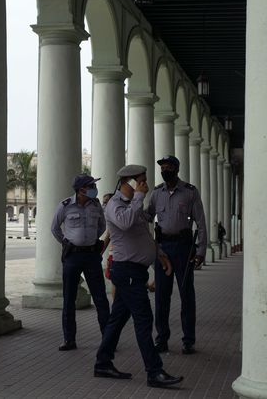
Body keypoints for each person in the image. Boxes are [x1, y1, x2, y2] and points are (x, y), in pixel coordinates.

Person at [94, 164, 183, 388]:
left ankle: (103, 363)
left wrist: (159, 254)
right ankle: (154, 371)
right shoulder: (115, 205)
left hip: (135, 271)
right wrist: (139, 197)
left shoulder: (134, 205)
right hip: (127, 271)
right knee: (144, 320)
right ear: (130, 182)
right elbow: (124, 223)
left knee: (117, 320)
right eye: (141, 181)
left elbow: (143, 235)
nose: (145, 184)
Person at [147, 155, 207, 355]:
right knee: (162, 297)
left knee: (186, 295)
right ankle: (161, 339)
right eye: (162, 167)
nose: (165, 170)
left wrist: (201, 250)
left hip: (184, 248)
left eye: (169, 166)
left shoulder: (189, 192)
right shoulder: (156, 193)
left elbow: (201, 223)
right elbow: (147, 216)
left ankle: (188, 340)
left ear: (177, 169)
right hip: (163, 248)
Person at [51, 174, 110, 351]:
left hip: (92, 255)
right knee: (69, 298)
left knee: (100, 297)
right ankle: (69, 339)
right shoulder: (65, 205)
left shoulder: (96, 205)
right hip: (72, 257)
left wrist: (92, 239)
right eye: (91, 185)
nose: (94, 188)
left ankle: (108, 339)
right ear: (81, 189)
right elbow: (54, 228)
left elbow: (102, 225)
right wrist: (66, 242)